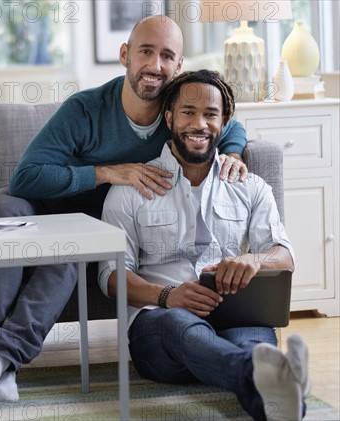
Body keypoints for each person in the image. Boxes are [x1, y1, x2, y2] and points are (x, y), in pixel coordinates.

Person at [0, 15, 248, 405]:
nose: (156, 65)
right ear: (125, 55)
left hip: (89, 229)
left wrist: (233, 153)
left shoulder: (179, 115)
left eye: (167, 56)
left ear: (178, 67)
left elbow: (229, 124)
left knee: (71, 252)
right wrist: (108, 173)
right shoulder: (84, 109)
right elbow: (25, 178)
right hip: (40, 206)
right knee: (3, 209)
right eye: (146, 52)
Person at [98, 69, 309, 420]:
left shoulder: (250, 186)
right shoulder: (131, 188)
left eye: (211, 114)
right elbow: (111, 277)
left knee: (252, 345)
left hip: (237, 313)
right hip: (162, 324)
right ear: (169, 118)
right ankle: (274, 376)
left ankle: (282, 405)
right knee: (179, 327)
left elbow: (283, 256)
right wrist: (167, 297)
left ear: (224, 122)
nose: (199, 123)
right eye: (188, 112)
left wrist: (255, 261)